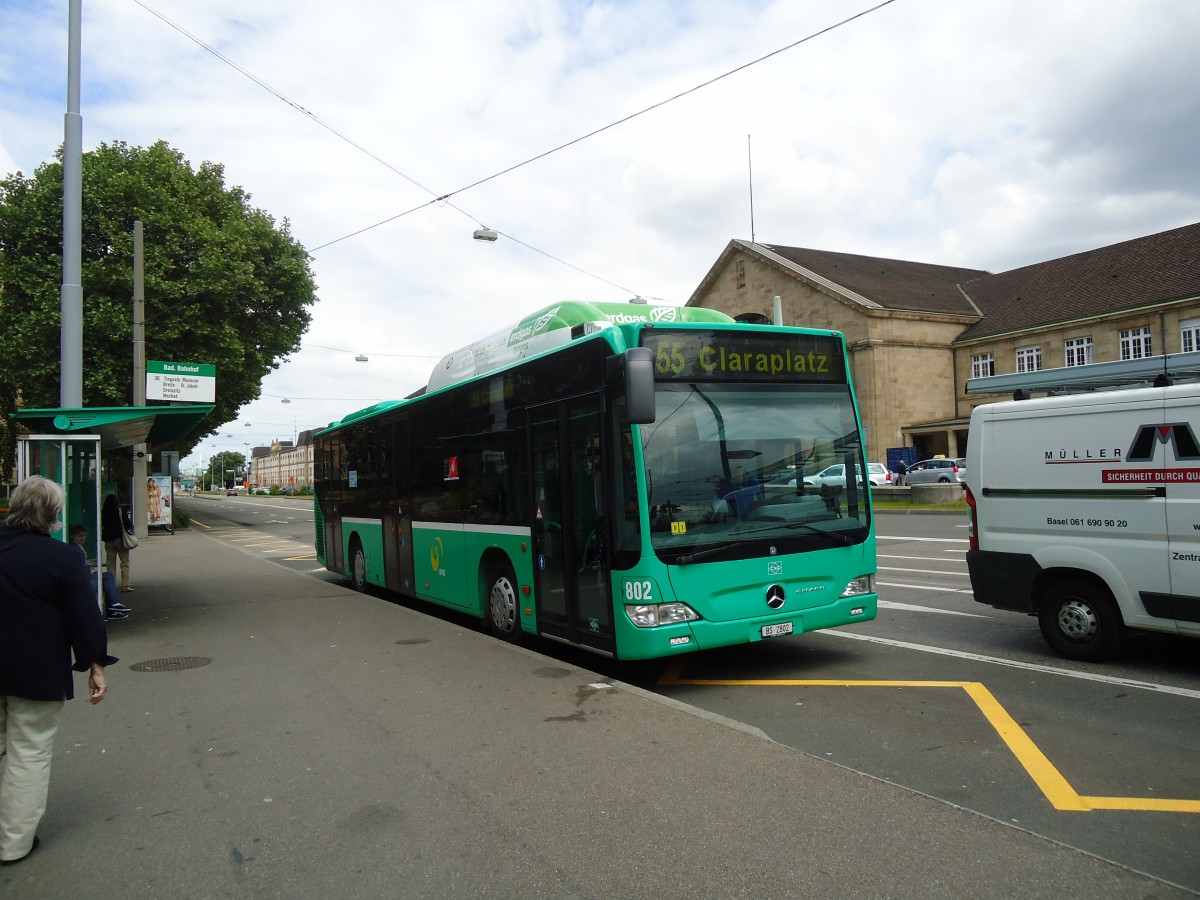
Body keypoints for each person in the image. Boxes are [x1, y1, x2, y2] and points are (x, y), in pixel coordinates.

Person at [0, 476, 117, 866]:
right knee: (28, 752)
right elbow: (84, 617)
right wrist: (95, 665)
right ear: (54, 515)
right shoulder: (64, 558)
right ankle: (13, 844)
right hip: (36, 672)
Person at [68, 524, 129, 620]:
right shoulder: (73, 549)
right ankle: (111, 608)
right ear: (72, 536)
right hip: (81, 578)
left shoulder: (77, 547)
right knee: (102, 582)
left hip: (85, 575)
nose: (83, 538)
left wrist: (89, 563)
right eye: (79, 536)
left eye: (84, 535)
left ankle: (114, 604)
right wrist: (89, 565)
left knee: (108, 576)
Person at [100, 493, 133, 594]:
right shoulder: (119, 511)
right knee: (124, 562)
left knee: (110, 563)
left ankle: (111, 586)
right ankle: (125, 585)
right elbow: (128, 523)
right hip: (120, 539)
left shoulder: (103, 512)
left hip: (108, 540)